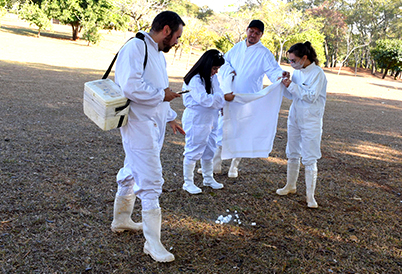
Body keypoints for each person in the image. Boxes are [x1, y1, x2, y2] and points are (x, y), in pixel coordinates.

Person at [111, 11, 185, 263]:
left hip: (152, 123)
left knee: (133, 169)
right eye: (176, 36)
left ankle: (121, 219)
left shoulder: (156, 53)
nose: (176, 42)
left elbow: (159, 88)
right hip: (137, 124)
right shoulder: (135, 47)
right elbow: (130, 87)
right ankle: (153, 243)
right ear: (166, 30)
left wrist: (170, 116)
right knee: (151, 180)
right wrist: (161, 96)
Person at [212, 19, 290, 178]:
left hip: (248, 97)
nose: (253, 35)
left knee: (242, 130)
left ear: (261, 35)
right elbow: (224, 63)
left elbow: (273, 71)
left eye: (257, 33)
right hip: (230, 95)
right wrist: (229, 71)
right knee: (222, 127)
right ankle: (215, 164)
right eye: (251, 31)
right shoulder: (237, 47)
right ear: (246, 30)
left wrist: (280, 76)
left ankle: (234, 166)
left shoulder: (264, 53)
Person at [276, 41, 327, 209]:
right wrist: (285, 82)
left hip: (311, 120)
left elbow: (311, 96)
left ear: (304, 58)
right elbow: (293, 95)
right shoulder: (297, 72)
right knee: (292, 152)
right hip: (295, 117)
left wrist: (293, 86)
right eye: (289, 61)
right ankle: (290, 186)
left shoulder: (318, 74)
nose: (291, 63)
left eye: (293, 60)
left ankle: (310, 196)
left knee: (310, 157)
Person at [181, 49, 235, 195]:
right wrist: (222, 100)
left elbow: (217, 94)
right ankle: (188, 182)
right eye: (214, 68)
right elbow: (205, 100)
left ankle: (208, 178)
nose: (216, 72)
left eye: (218, 69)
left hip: (211, 118)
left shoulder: (212, 78)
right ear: (207, 65)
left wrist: (220, 101)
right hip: (197, 118)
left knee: (210, 148)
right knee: (194, 148)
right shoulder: (195, 80)